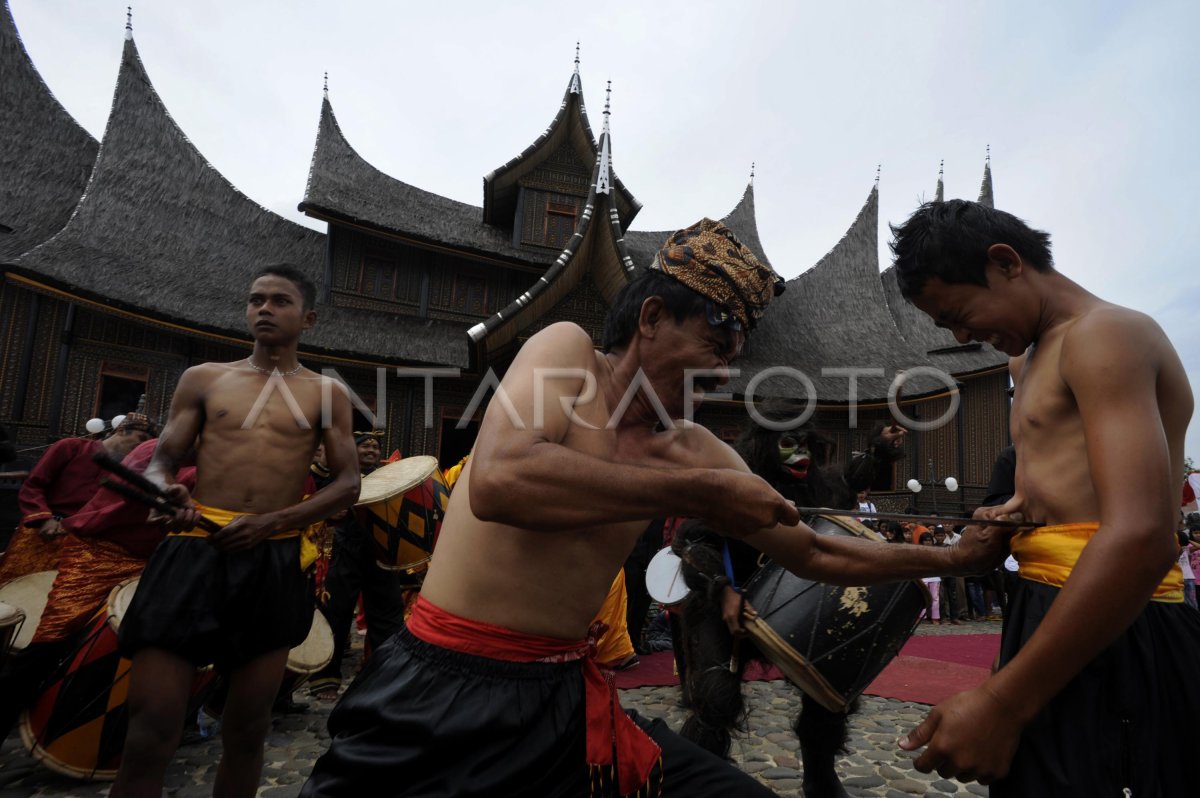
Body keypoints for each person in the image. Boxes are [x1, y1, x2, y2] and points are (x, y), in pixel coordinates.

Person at [301, 218, 1010, 796]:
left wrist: (947, 556)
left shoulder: (693, 447)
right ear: (650, 318)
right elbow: (499, 483)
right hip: (443, 684)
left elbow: (811, 548)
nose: (724, 370)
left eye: (735, 353)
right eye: (715, 343)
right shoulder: (566, 355)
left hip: (561, 699)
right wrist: (697, 493)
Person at [891, 199, 1199, 794]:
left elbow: (1141, 534)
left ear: (1006, 263)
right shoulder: (1023, 361)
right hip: (1042, 606)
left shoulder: (1107, 333)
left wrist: (1003, 702)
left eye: (959, 313)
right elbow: (1064, 482)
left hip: (1118, 620)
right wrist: (1021, 507)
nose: (961, 336)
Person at [109, 264, 359, 798]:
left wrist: (275, 520)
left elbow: (347, 485)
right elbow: (162, 460)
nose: (264, 308)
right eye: (256, 300)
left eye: (279, 301)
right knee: (151, 729)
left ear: (308, 318)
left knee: (247, 731)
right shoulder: (204, 378)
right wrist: (166, 490)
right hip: (193, 550)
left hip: (270, 558)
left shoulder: (325, 394)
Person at [305, 430, 410, 701]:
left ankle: (386, 674)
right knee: (336, 612)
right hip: (345, 548)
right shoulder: (336, 476)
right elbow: (308, 500)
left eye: (375, 447)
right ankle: (325, 678)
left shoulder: (388, 477)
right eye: (365, 447)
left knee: (388, 613)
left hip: (380, 551)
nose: (372, 451)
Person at [0, 413, 155, 584]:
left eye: (147, 443)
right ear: (121, 430)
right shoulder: (70, 446)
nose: (141, 445)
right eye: (141, 438)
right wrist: (44, 518)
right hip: (42, 530)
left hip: (83, 542)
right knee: (14, 587)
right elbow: (34, 485)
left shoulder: (129, 472)